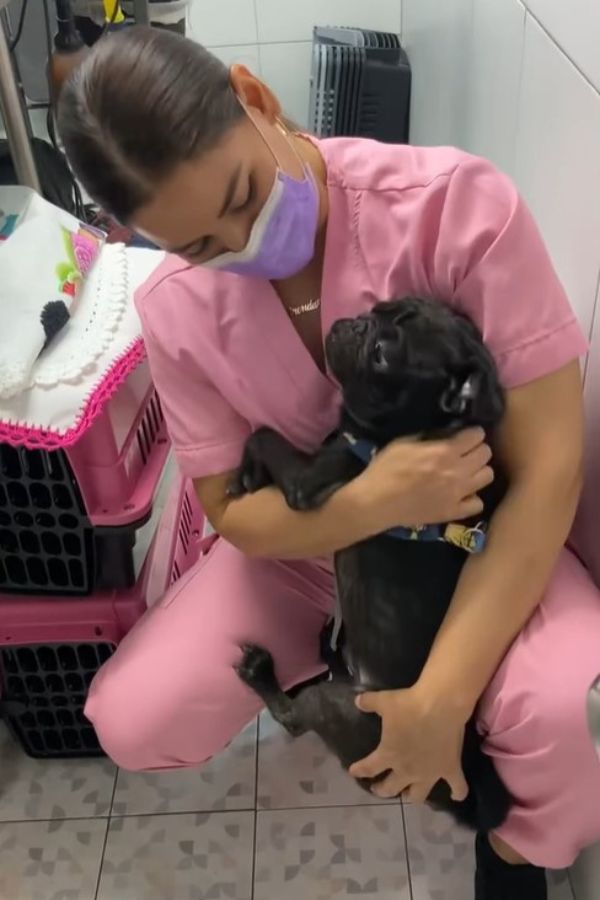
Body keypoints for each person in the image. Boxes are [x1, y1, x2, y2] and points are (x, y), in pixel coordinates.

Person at [58, 27, 600, 900]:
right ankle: (339, 659)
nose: (242, 241)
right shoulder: (176, 305)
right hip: (310, 551)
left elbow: (548, 472)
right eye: (199, 244)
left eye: (244, 193)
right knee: (130, 717)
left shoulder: (456, 207)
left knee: (574, 715)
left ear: (257, 99)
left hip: (470, 538)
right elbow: (232, 507)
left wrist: (443, 701)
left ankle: (509, 850)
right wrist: (370, 504)